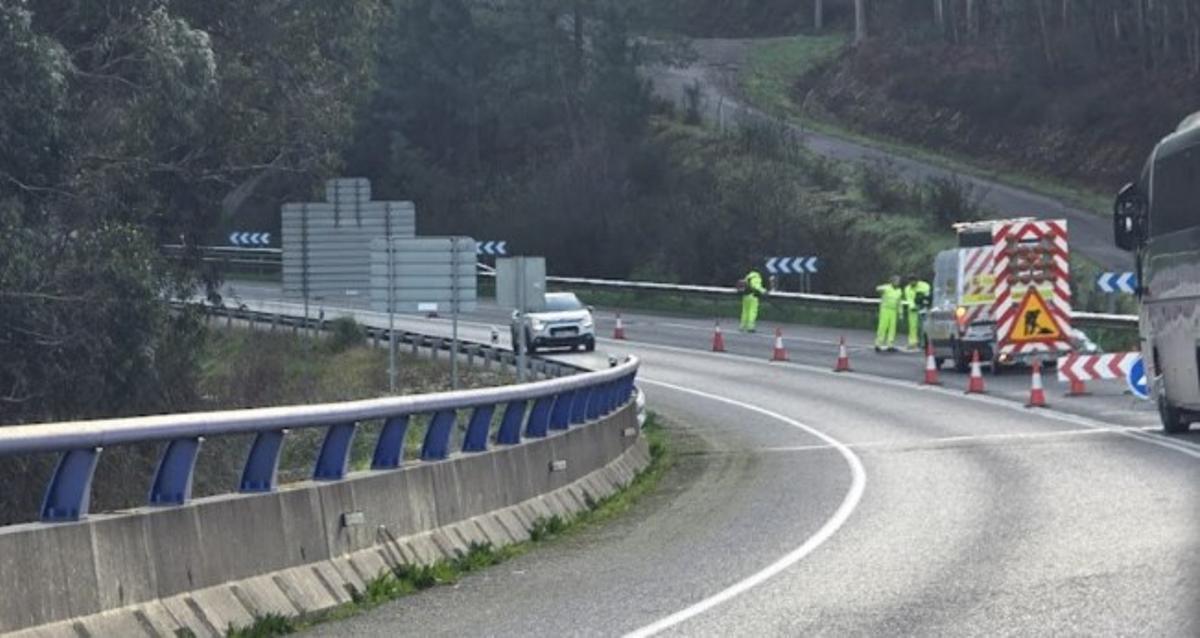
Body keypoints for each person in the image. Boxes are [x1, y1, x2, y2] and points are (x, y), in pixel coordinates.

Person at [903, 274, 932, 350]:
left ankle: (924, 343)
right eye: (910, 281)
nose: (912, 283)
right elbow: (909, 299)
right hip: (913, 309)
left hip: (923, 307)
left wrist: (922, 300)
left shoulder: (924, 285)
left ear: (917, 281)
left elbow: (927, 294)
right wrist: (913, 306)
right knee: (913, 326)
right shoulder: (907, 289)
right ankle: (912, 342)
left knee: (924, 326)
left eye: (913, 281)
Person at [875, 275, 903, 352]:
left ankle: (890, 345)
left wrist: (900, 313)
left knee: (892, 328)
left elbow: (899, 302)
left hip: (893, 311)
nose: (897, 282)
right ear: (892, 281)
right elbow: (878, 288)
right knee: (882, 327)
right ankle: (878, 344)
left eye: (898, 281)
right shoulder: (887, 287)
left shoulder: (899, 291)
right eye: (896, 281)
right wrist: (882, 290)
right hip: (885, 309)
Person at [740, 267, 768, 332]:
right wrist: (764, 291)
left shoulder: (748, 276)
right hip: (753, 296)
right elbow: (756, 286)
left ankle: (742, 326)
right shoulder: (756, 276)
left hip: (745, 296)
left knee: (745, 311)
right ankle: (750, 327)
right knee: (752, 311)